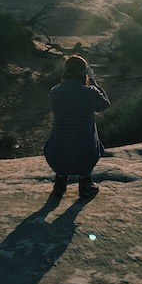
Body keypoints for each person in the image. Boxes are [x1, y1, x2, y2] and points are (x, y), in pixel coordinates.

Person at [43, 55, 110, 198]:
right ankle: (85, 183)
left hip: (56, 155)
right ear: (84, 73)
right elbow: (105, 104)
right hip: (85, 155)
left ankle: (60, 183)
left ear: (65, 72)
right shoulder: (90, 92)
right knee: (90, 136)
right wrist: (92, 80)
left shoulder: (55, 92)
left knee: (65, 132)